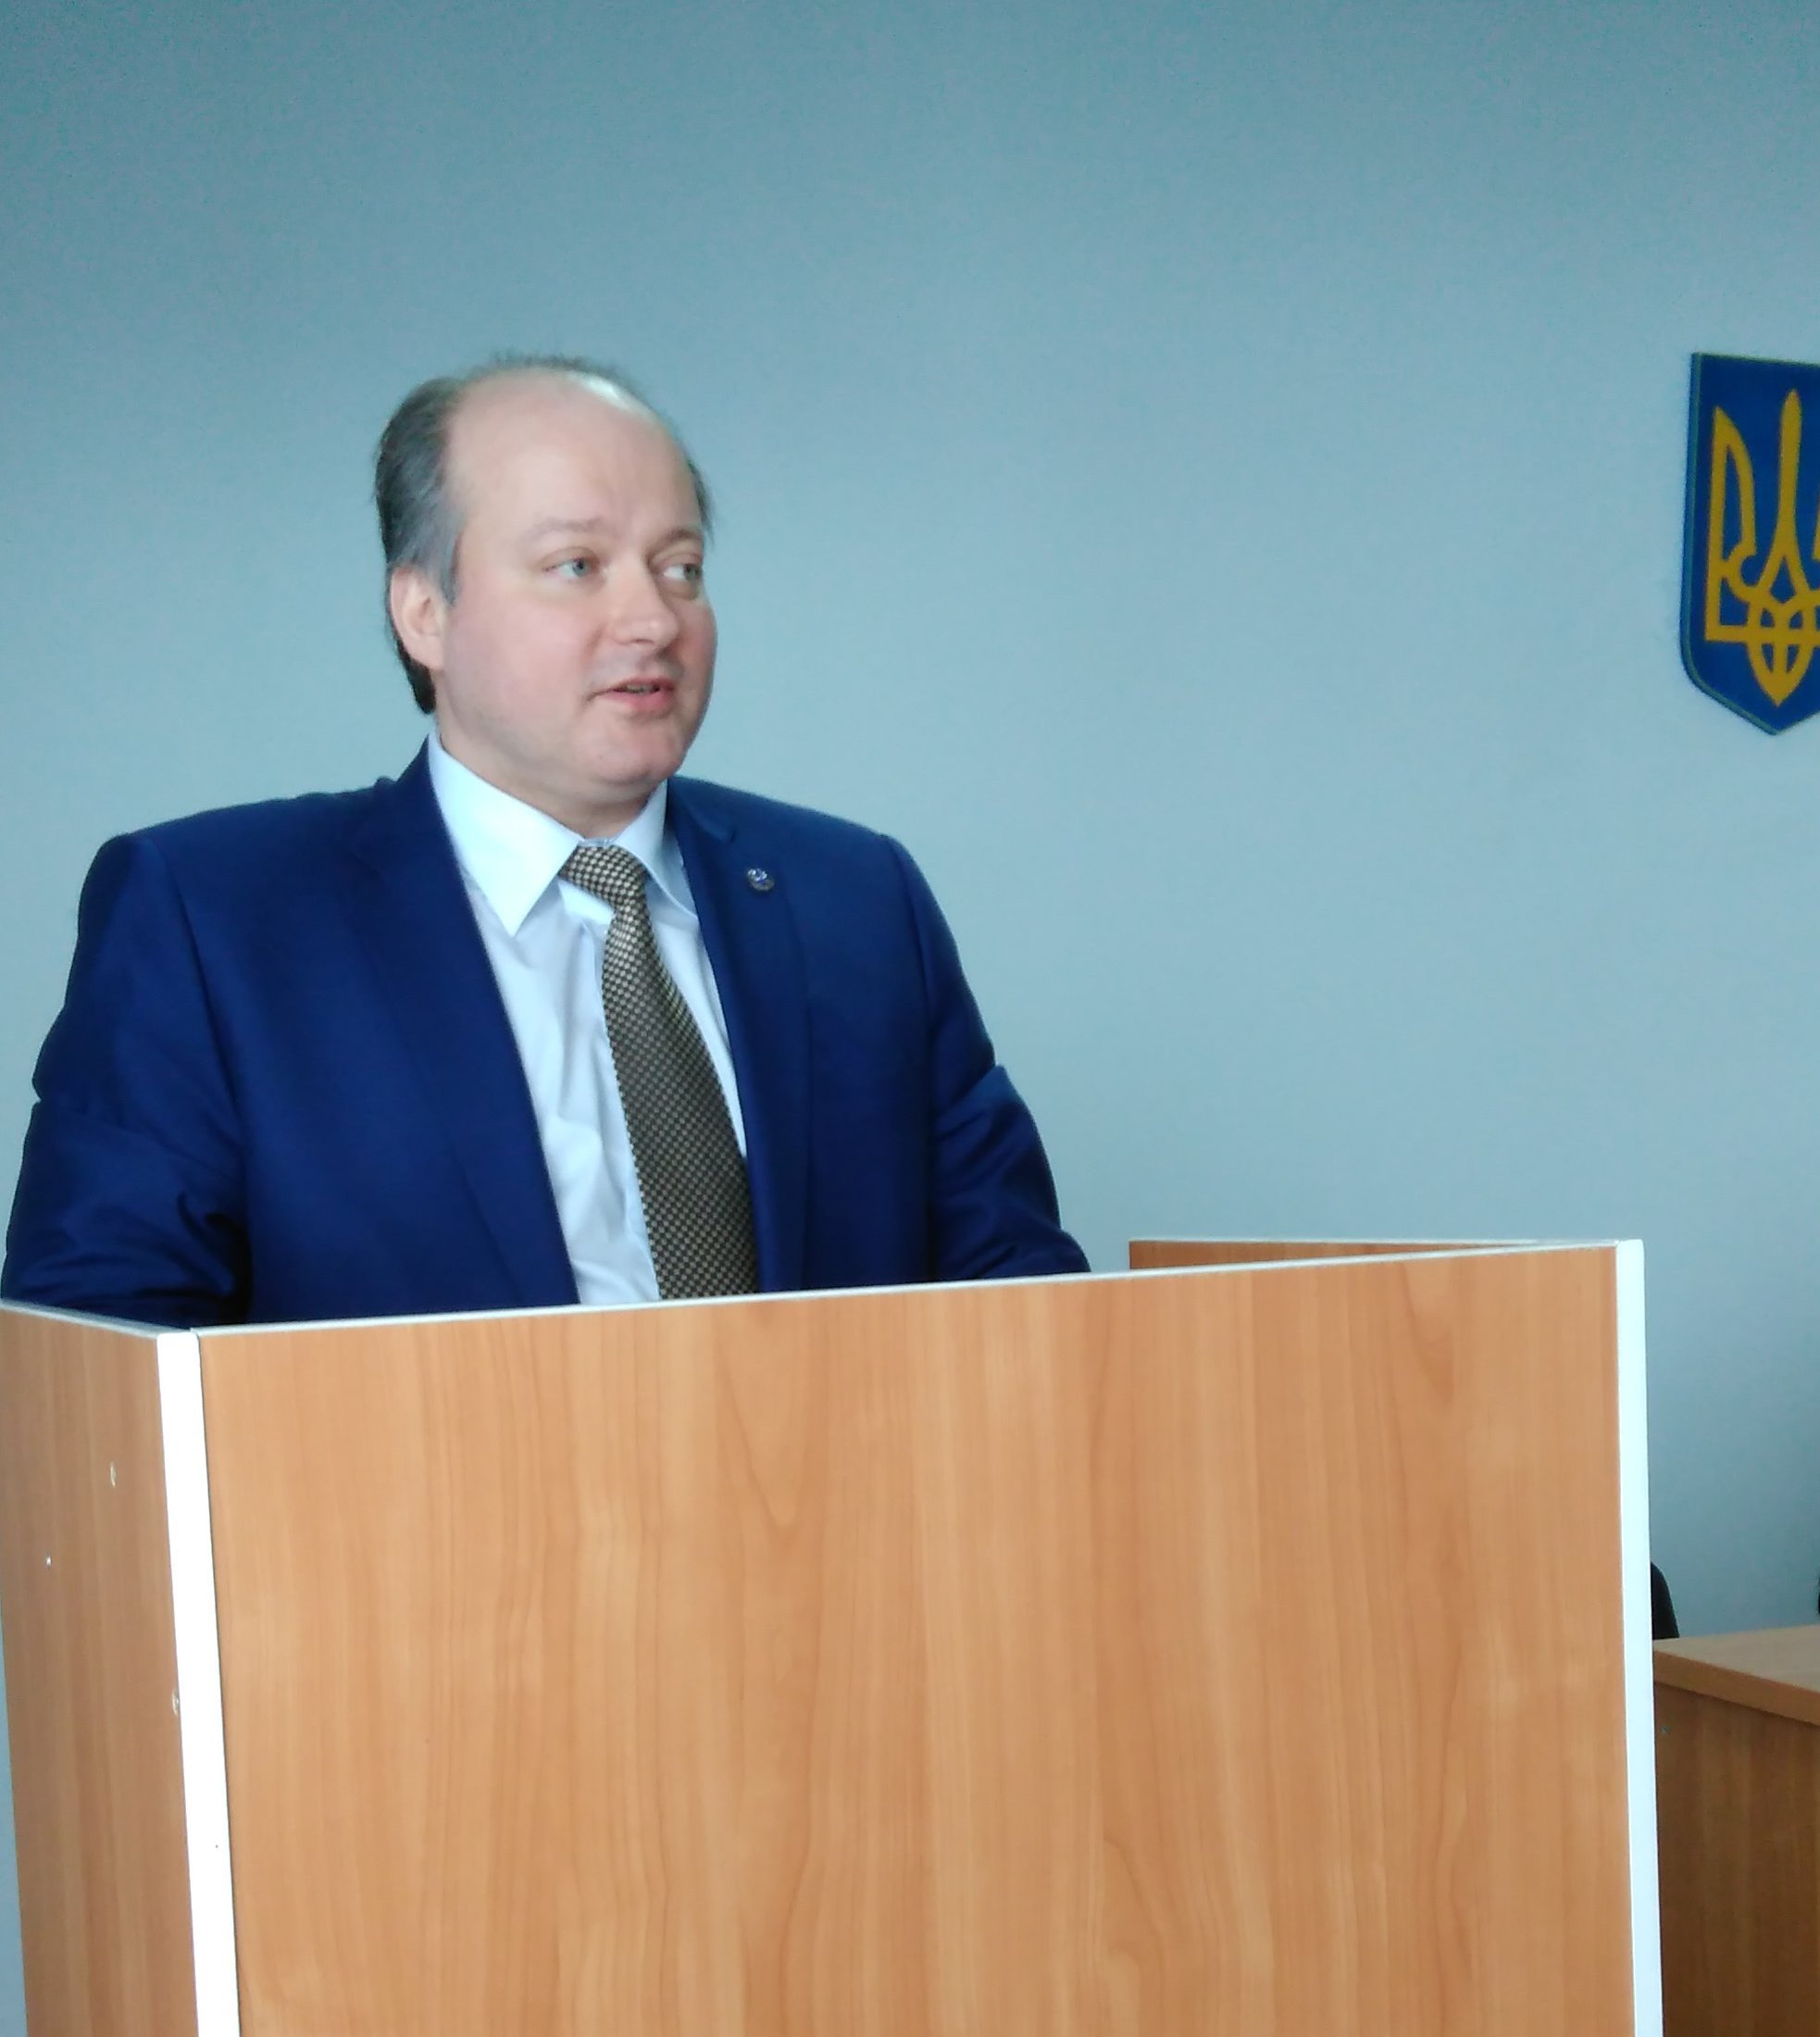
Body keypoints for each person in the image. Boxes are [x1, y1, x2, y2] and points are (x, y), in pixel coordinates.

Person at [2, 356, 1085, 1325]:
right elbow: (96, 1359)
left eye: (680, 567)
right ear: (423, 613)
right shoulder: (215, 920)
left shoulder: (856, 899)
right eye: (578, 565)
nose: (652, 620)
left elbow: (1022, 1302)